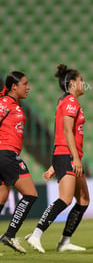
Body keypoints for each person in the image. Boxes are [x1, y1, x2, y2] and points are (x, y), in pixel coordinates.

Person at [25, 64, 89, 253]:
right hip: (68, 155)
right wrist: (73, 159)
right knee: (65, 199)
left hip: (67, 155)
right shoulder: (70, 101)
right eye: (81, 80)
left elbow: (63, 133)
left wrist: (57, 164)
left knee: (84, 200)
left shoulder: (69, 102)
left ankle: (64, 242)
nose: (84, 83)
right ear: (72, 83)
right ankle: (36, 234)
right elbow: (67, 132)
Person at [0, 71, 37, 254]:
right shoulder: (5, 102)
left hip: (4, 154)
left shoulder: (13, 104)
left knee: (1, 197)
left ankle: (9, 234)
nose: (28, 87)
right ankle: (10, 234)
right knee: (30, 194)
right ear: (14, 86)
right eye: (25, 83)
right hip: (6, 154)